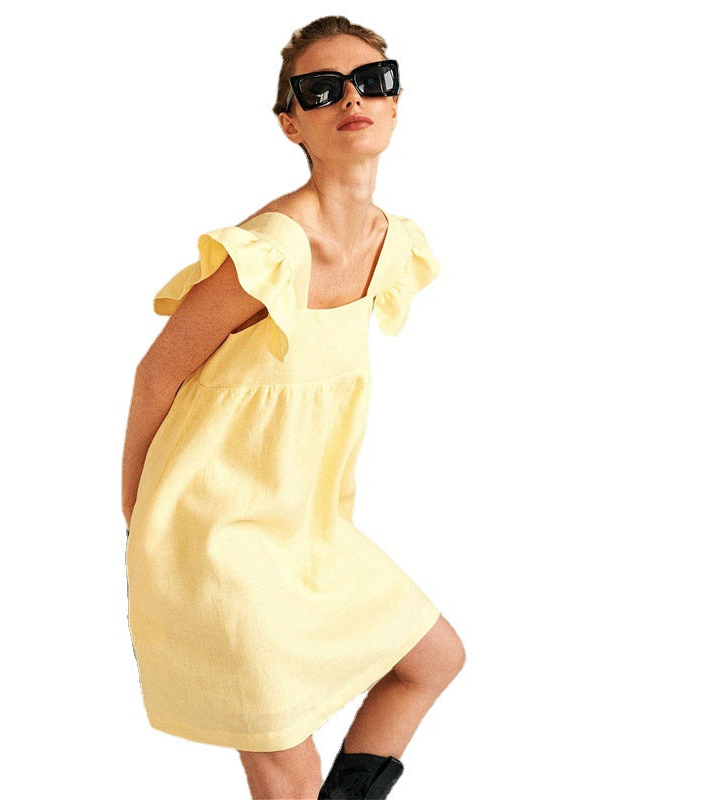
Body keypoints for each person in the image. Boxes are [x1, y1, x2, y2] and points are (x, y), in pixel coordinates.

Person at [121, 15, 466, 800]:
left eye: (372, 81)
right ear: (291, 122)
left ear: (395, 101)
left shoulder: (393, 244)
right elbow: (155, 377)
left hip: (307, 527)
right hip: (215, 532)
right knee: (287, 761)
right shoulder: (270, 252)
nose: (353, 99)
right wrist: (141, 517)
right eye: (321, 89)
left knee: (433, 658)